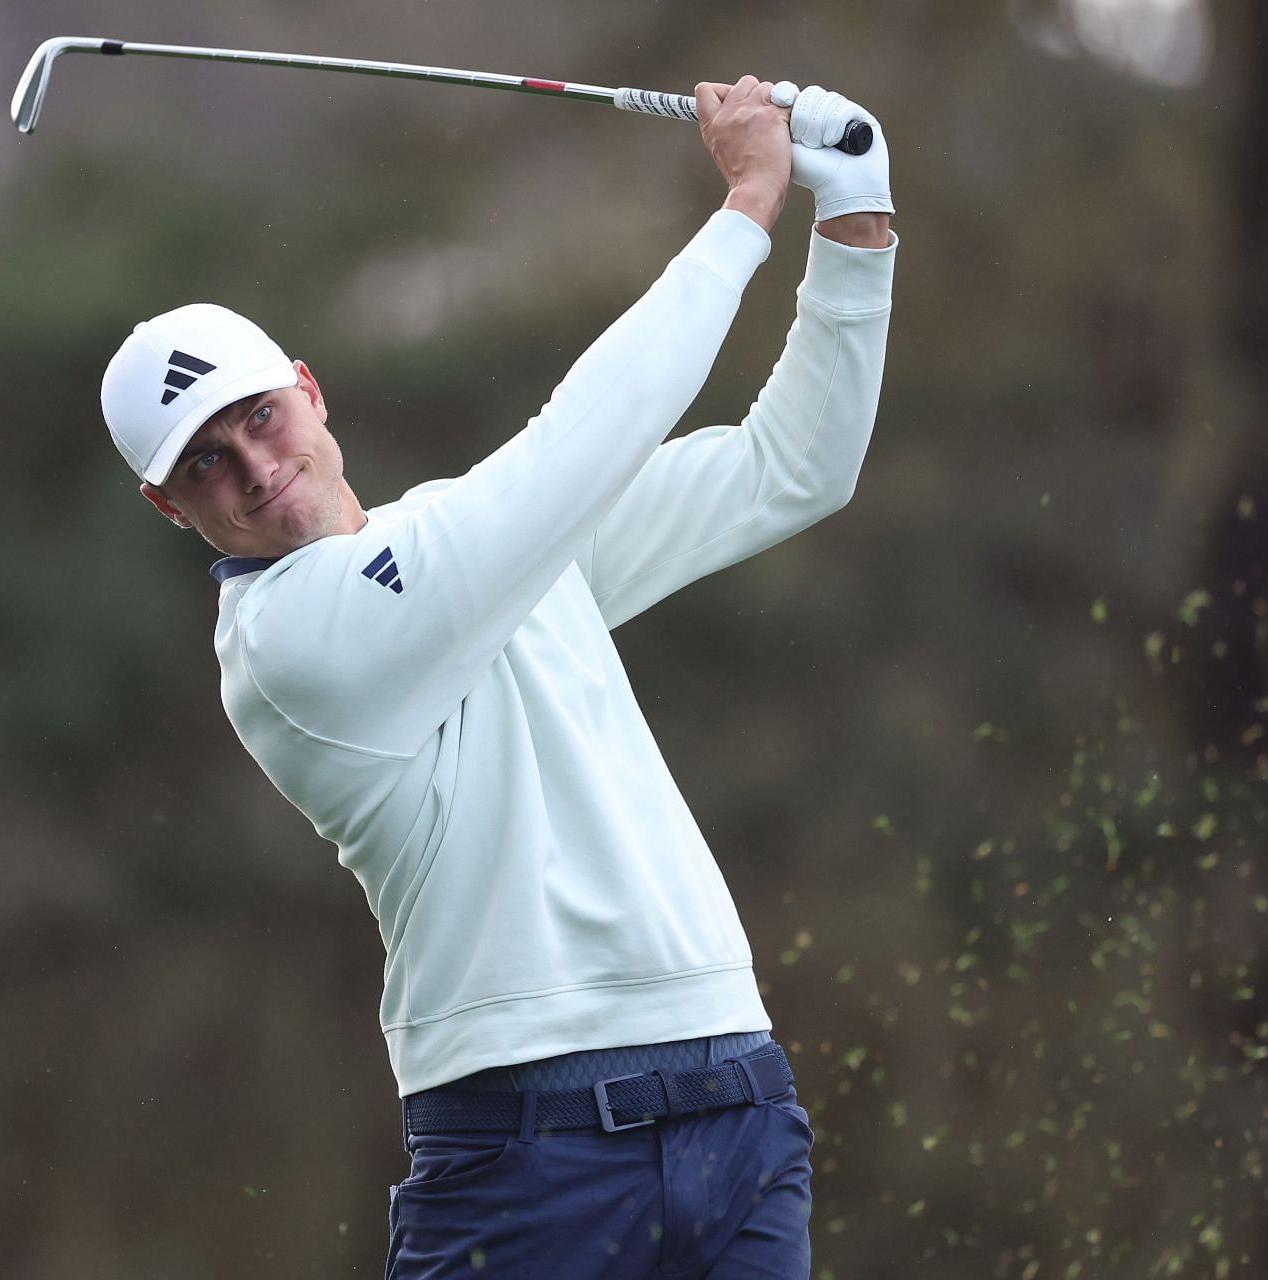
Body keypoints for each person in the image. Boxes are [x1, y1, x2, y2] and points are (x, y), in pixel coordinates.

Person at [99, 75, 895, 1278]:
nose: (252, 466)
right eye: (206, 464)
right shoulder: (288, 646)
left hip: (735, 1092)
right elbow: (572, 451)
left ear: (310, 391)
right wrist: (745, 207)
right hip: (531, 1150)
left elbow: (797, 467)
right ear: (169, 507)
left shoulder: (487, 546)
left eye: (259, 416)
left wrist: (856, 222)